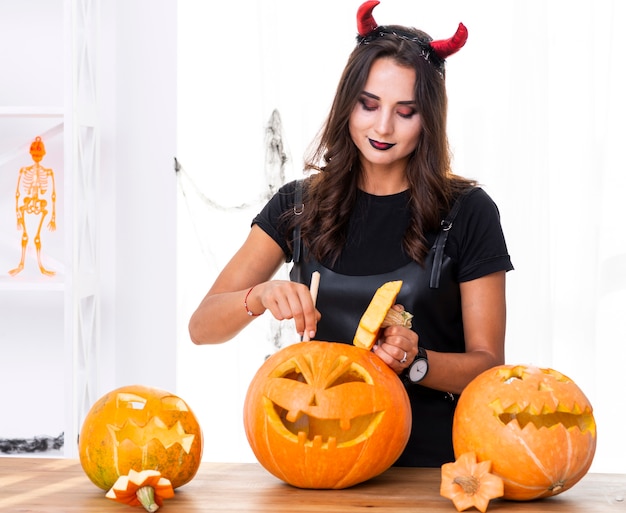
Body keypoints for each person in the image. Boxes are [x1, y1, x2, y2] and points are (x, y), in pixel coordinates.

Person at [189, 0, 513, 467]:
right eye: (369, 104)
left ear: (429, 119)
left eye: (406, 111)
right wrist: (258, 296)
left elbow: (488, 366)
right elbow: (202, 327)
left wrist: (417, 361)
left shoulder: (469, 212)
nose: (383, 127)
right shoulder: (297, 204)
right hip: (317, 455)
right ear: (347, 104)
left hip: (430, 469)